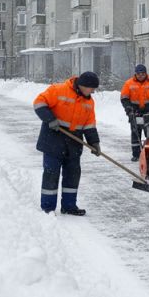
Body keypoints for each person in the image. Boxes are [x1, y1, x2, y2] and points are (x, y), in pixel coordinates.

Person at [32, 72, 102, 216]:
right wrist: (50, 119)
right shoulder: (58, 90)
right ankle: (48, 208)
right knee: (51, 173)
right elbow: (39, 103)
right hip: (53, 138)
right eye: (92, 88)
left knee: (73, 174)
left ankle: (69, 206)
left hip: (74, 142)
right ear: (84, 85)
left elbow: (89, 125)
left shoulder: (89, 102)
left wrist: (94, 143)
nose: (93, 91)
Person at [120, 64, 149, 161]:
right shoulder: (129, 83)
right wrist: (128, 108)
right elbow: (124, 97)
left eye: (143, 73)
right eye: (139, 74)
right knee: (135, 132)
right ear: (135, 74)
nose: (141, 75)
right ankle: (136, 154)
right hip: (135, 111)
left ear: (146, 73)